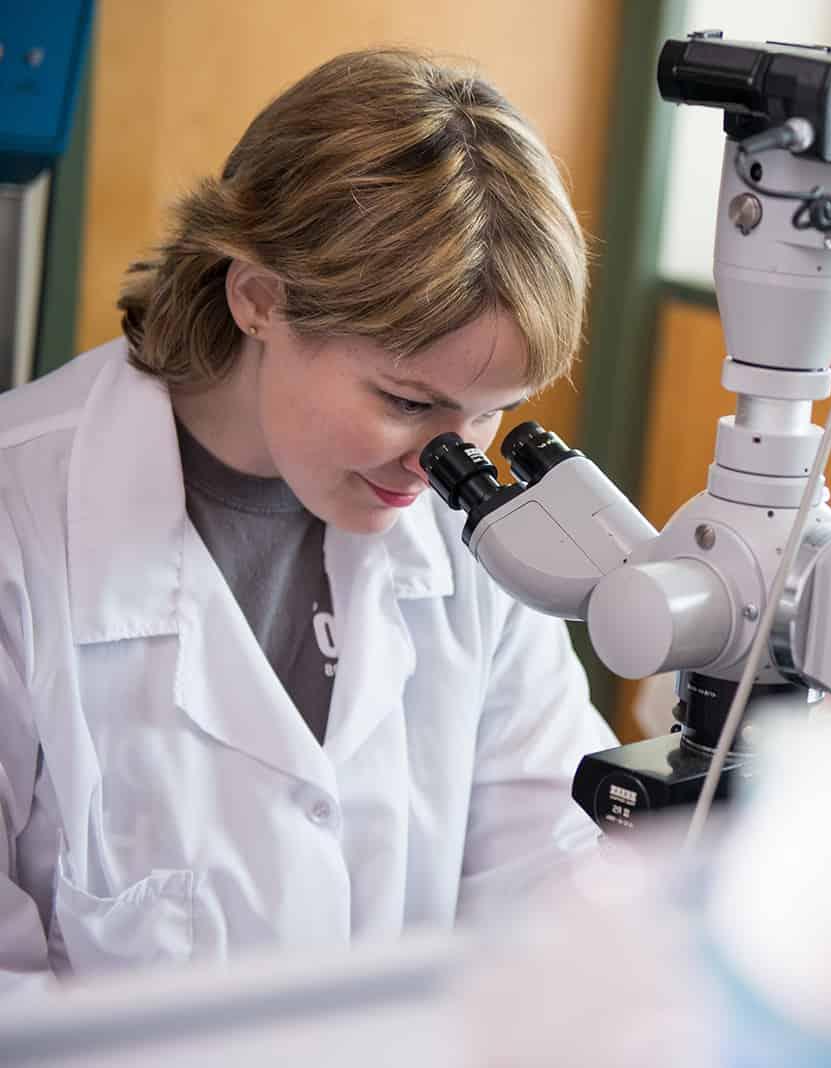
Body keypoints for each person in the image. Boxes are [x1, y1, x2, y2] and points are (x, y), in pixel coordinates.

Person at [0, 48, 618, 993]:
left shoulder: (474, 543)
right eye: (407, 401)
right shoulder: (20, 521)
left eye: (489, 412)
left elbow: (555, 887)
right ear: (258, 298)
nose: (448, 464)